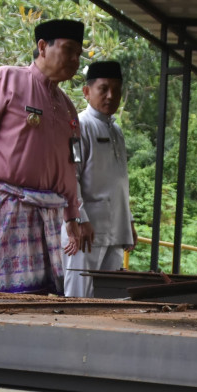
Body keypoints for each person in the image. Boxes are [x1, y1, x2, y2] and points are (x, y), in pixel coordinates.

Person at [0, 18, 86, 293]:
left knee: (44, 295)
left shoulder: (68, 108)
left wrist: (72, 216)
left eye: (79, 53)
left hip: (49, 212)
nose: (75, 59)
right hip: (7, 203)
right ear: (42, 47)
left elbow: (69, 165)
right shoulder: (6, 79)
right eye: (69, 50)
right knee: (2, 293)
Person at [64, 60, 137, 297]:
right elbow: (70, 177)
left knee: (110, 301)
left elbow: (119, 182)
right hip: (87, 232)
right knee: (78, 297)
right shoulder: (80, 126)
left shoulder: (116, 131)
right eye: (103, 89)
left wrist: (130, 222)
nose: (110, 96)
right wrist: (79, 218)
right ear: (86, 92)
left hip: (115, 230)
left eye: (116, 90)